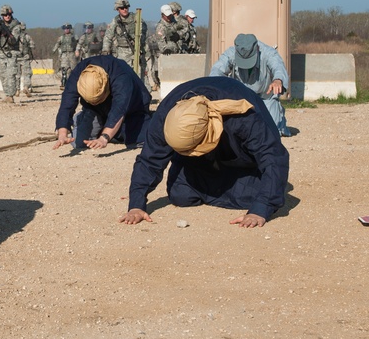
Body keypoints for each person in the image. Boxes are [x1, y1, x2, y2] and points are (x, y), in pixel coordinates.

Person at [119, 76, 289, 227]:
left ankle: (238, 187)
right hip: (202, 163)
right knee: (181, 195)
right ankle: (224, 186)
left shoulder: (243, 117)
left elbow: (273, 157)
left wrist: (260, 209)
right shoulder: (166, 115)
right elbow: (149, 160)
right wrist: (136, 204)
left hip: (243, 162)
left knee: (260, 194)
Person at [53, 55, 151, 151]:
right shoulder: (79, 72)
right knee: (78, 142)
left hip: (132, 109)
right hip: (96, 110)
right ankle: (89, 120)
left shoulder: (121, 77)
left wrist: (104, 138)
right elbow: (67, 103)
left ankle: (116, 129)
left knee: (137, 140)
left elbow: (120, 108)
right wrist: (62, 134)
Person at [210, 33, 291, 137]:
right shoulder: (230, 53)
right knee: (236, 131)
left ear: (257, 48)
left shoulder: (268, 53)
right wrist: (213, 88)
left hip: (265, 97)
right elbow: (217, 70)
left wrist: (278, 80)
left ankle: (279, 116)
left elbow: (278, 67)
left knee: (271, 132)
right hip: (241, 98)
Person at [101, 0, 149, 84]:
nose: (125, 9)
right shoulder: (115, 21)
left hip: (137, 50)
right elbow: (108, 36)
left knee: (142, 74)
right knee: (124, 75)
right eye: (122, 8)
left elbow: (144, 31)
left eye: (126, 7)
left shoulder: (136, 18)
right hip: (122, 52)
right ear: (117, 9)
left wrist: (139, 42)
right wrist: (105, 49)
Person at [0, 4, 26, 103]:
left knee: (10, 74)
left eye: (9, 14)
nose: (7, 16)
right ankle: (6, 94)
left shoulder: (16, 25)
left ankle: (10, 96)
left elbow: (14, 40)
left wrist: (6, 33)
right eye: (5, 15)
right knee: (3, 74)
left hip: (11, 52)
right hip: (1, 52)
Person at [52, 23, 78, 88]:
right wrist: (54, 50)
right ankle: (63, 82)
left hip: (72, 54)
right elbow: (57, 44)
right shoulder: (61, 37)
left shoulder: (74, 37)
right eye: (65, 29)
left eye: (67, 29)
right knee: (64, 68)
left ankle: (72, 82)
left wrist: (78, 50)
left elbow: (79, 44)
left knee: (72, 69)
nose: (66, 30)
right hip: (64, 54)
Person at [17, 29, 36, 97]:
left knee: (17, 75)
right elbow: (33, 45)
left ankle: (17, 90)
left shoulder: (13, 36)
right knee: (27, 73)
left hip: (16, 58)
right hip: (25, 57)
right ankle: (26, 87)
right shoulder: (27, 36)